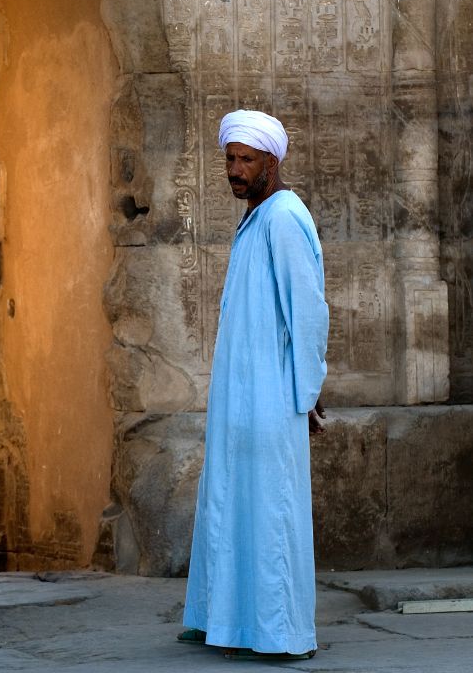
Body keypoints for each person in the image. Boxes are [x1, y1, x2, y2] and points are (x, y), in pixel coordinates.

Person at [178, 109, 329, 662]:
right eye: (229, 159)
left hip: (271, 402)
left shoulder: (285, 217)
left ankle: (282, 634)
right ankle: (235, 626)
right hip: (240, 403)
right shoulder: (255, 219)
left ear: (272, 161)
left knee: (272, 514)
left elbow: (308, 315)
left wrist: (307, 394)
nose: (235, 170)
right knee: (234, 508)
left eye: (245, 159)